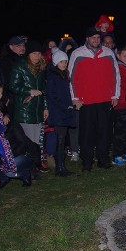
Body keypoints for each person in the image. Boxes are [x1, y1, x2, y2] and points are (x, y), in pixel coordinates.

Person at [68, 27, 120, 171]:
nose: (96, 40)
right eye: (93, 38)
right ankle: (87, 161)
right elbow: (71, 78)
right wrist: (75, 98)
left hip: (105, 99)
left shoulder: (108, 53)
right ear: (87, 39)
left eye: (98, 38)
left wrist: (115, 95)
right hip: (86, 101)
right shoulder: (77, 54)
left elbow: (116, 75)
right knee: (87, 133)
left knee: (104, 132)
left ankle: (103, 159)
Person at [8, 40, 48, 172]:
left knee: (37, 141)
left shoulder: (41, 68)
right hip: (25, 109)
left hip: (38, 109)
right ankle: (28, 168)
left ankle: (35, 166)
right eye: (34, 53)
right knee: (28, 141)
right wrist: (29, 91)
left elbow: (44, 89)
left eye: (39, 53)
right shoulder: (20, 66)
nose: (37, 56)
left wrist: (46, 106)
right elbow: (12, 86)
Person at [46, 47, 77, 176]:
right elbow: (52, 95)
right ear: (55, 63)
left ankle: (61, 166)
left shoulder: (63, 75)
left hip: (64, 112)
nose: (64, 64)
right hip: (59, 113)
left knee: (63, 140)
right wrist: (65, 106)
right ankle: (59, 168)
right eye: (61, 62)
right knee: (60, 140)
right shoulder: (54, 76)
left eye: (65, 61)